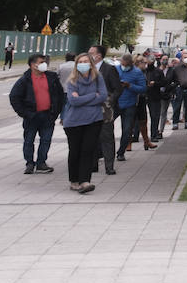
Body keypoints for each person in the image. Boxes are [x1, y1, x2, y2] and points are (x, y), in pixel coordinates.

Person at [9, 53, 65, 175]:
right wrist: (24, 113)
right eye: (41, 62)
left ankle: (41, 163)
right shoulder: (25, 80)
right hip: (31, 116)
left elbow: (60, 95)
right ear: (33, 65)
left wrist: (56, 112)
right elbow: (14, 97)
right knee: (29, 140)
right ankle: (29, 163)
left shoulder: (52, 77)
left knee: (46, 140)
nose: (44, 64)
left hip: (48, 115)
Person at [62, 53, 105, 194]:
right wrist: (93, 95)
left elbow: (103, 96)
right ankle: (74, 180)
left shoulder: (98, 78)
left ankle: (85, 181)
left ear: (91, 63)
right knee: (75, 151)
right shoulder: (72, 80)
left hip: (94, 120)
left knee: (88, 151)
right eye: (80, 61)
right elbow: (73, 101)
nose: (83, 63)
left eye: (86, 61)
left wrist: (82, 98)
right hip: (74, 122)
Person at [89, 45, 122, 175]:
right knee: (91, 137)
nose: (88, 55)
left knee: (106, 137)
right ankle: (93, 164)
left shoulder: (109, 69)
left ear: (98, 55)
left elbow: (117, 89)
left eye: (91, 53)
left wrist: (110, 101)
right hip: (89, 109)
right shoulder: (87, 69)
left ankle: (109, 166)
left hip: (105, 110)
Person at [115, 53, 146, 161]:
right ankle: (102, 150)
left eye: (126, 65)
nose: (124, 66)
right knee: (105, 128)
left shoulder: (137, 72)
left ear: (131, 64)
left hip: (129, 104)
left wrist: (130, 86)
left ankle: (121, 152)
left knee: (127, 130)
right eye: (122, 64)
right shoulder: (115, 69)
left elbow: (143, 88)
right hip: (115, 103)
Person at [144, 56, 168, 144]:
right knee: (141, 118)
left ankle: (154, 134)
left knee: (155, 116)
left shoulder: (158, 71)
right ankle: (136, 135)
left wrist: (155, 83)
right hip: (145, 95)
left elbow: (164, 82)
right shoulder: (144, 71)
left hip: (155, 96)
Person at [169, 54, 187, 130]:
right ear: (182, 58)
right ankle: (175, 123)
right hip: (179, 89)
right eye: (185, 57)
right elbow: (172, 78)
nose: (186, 59)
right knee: (177, 107)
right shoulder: (177, 68)